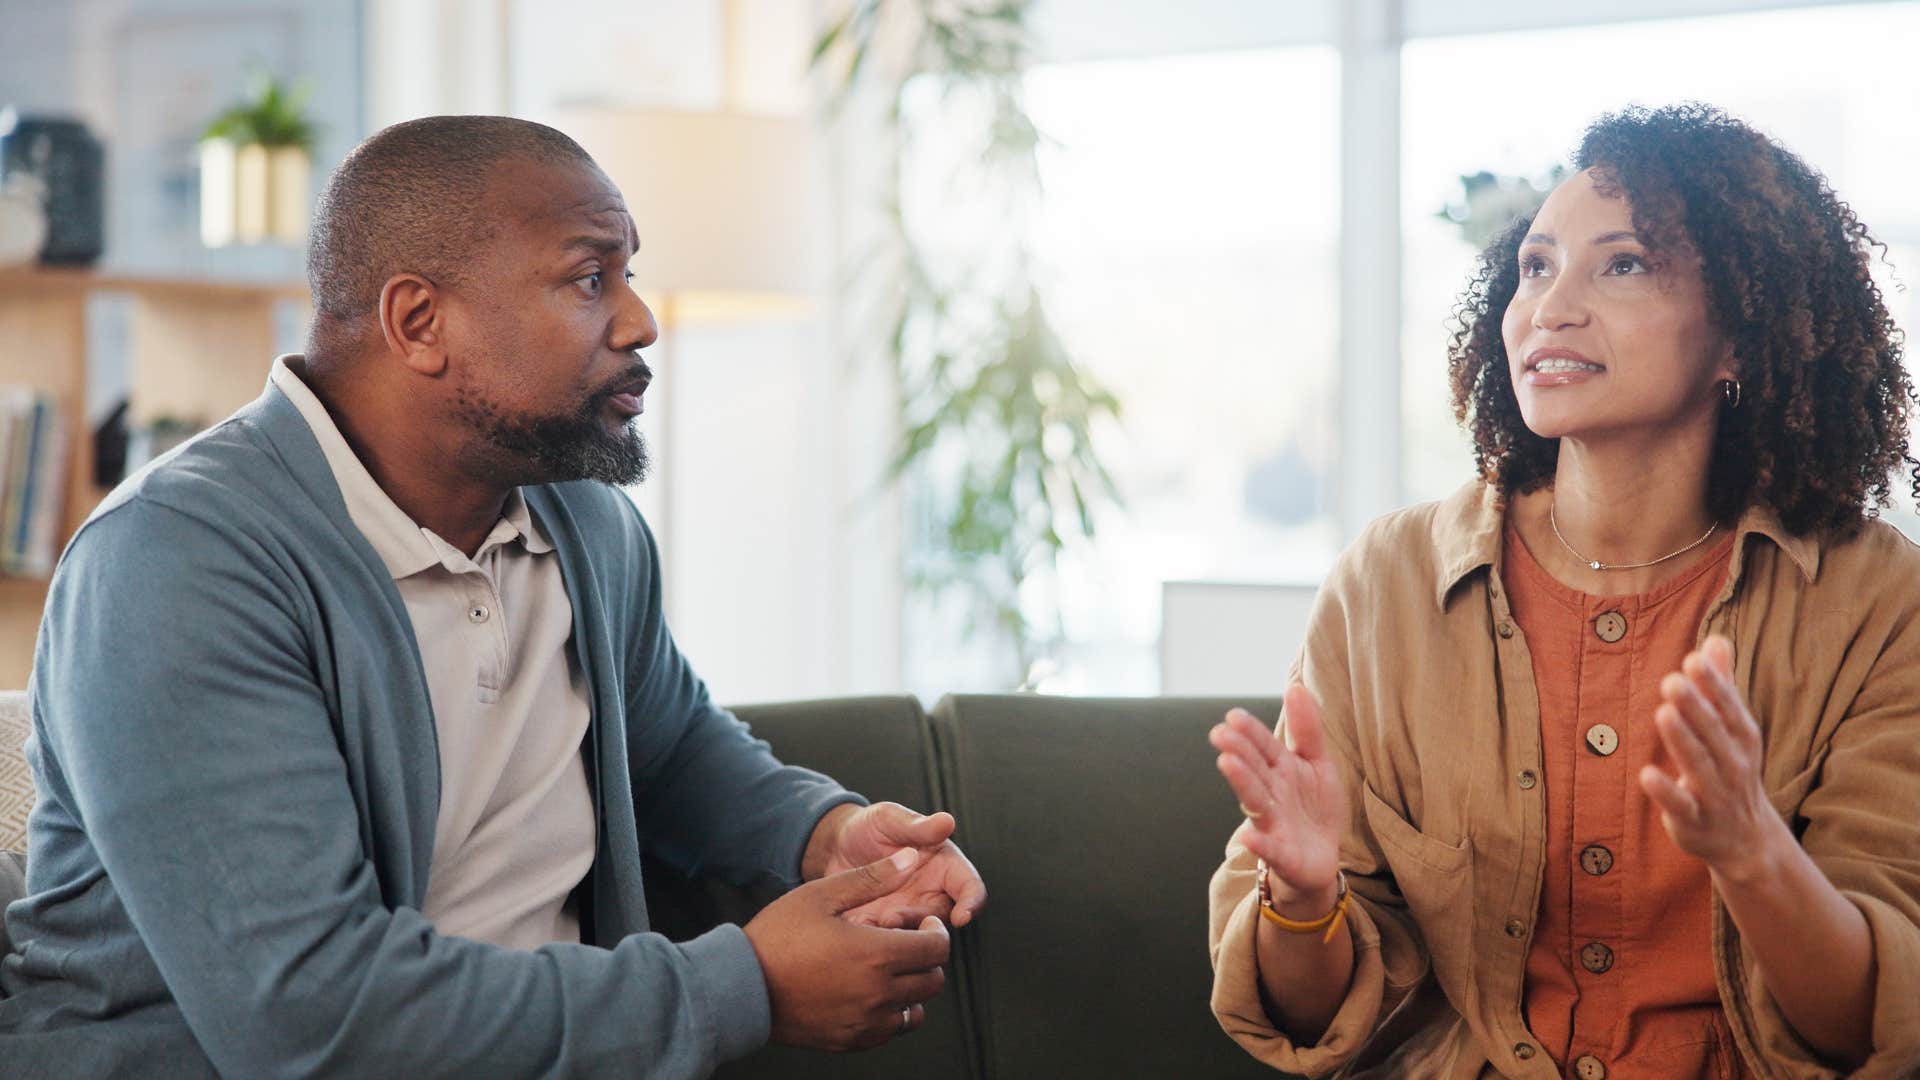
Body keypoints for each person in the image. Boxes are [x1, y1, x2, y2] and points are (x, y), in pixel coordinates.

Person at [0, 115, 985, 1078]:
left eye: (629, 274)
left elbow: (670, 743)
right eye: (589, 279)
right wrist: (749, 986)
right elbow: (308, 1017)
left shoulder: (586, 522)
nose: (641, 321)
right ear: (420, 323)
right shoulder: (179, 563)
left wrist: (826, 835)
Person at [1208, 104, 1920, 1078]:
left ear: (1742, 339)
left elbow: (1873, 1025)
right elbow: (1312, 1020)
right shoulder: (1386, 585)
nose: (1550, 305)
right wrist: (1302, 897)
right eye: (1536, 266)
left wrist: (1756, 855)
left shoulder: (1880, 602)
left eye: (1621, 264)